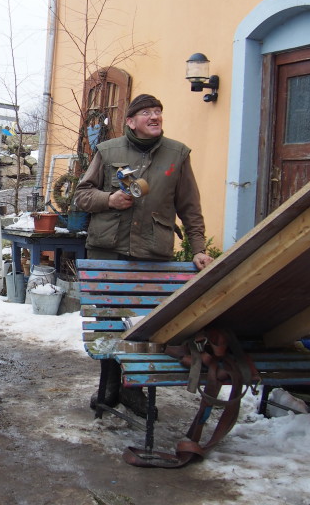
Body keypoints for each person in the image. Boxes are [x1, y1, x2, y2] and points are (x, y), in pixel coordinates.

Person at [73, 93, 213, 418]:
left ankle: (132, 390)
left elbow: (190, 209)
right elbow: (81, 195)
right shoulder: (108, 151)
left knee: (145, 326)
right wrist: (109, 200)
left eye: (158, 112)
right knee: (108, 322)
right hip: (107, 251)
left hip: (152, 254)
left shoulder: (177, 155)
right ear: (131, 121)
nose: (155, 117)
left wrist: (200, 249)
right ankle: (108, 388)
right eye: (147, 112)